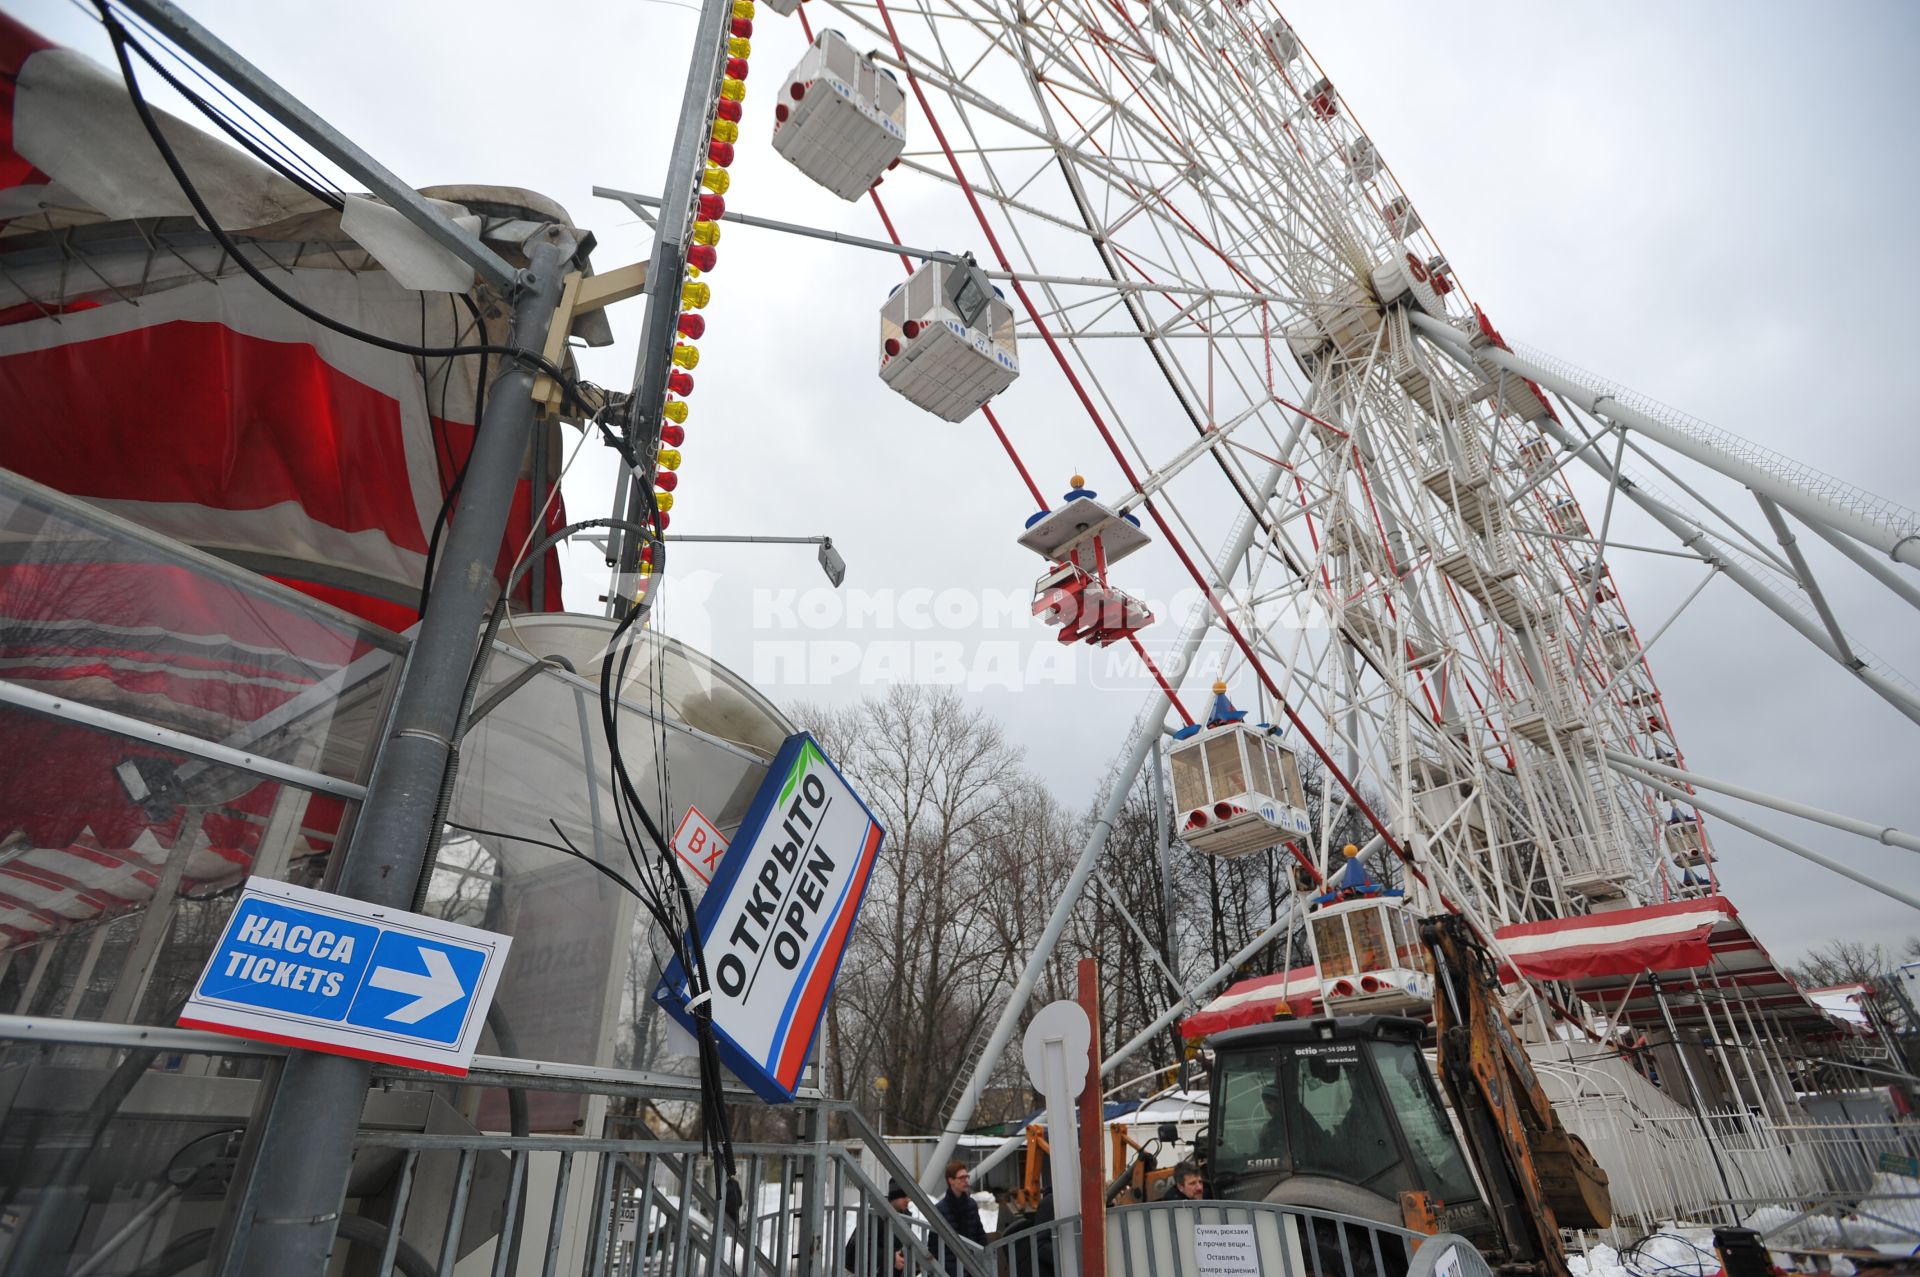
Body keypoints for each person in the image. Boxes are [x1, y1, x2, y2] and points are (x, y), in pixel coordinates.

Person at [933, 1160, 988, 1276]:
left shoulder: (971, 1205)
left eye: (966, 1177)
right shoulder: (940, 1209)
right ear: (951, 1180)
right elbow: (934, 1245)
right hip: (949, 1269)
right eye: (961, 1178)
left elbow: (980, 1235)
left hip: (972, 1267)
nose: (966, 1181)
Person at [845, 1181, 911, 1276]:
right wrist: (891, 1258)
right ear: (894, 1197)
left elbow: (898, 1248)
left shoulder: (905, 1216)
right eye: (903, 1196)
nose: (908, 1200)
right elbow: (862, 1245)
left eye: (908, 1196)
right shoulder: (876, 1213)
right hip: (858, 1269)